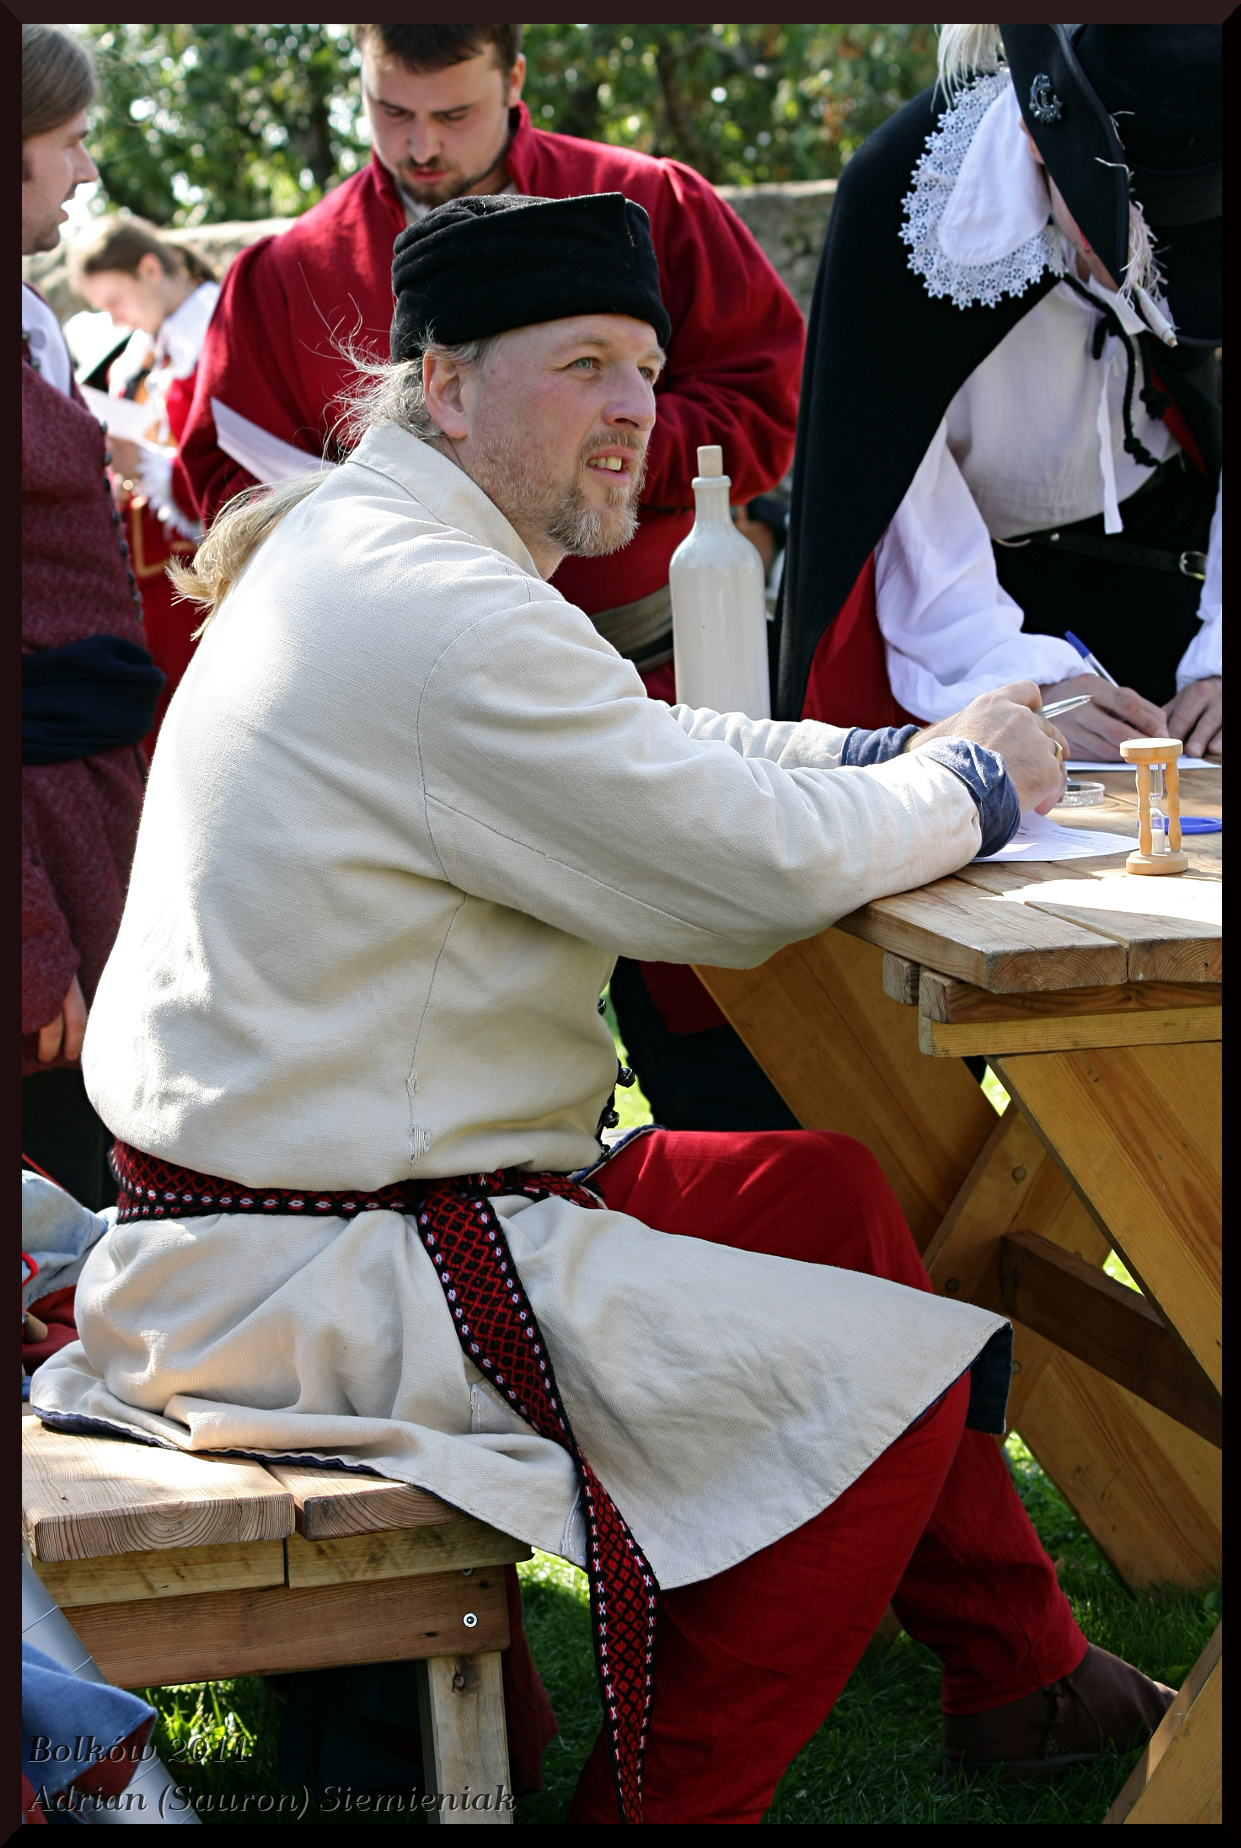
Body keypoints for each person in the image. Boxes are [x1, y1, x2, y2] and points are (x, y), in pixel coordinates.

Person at [34, 192, 1171, 1823]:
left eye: (645, 365)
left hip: (326, 1218)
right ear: (444, 386)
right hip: (324, 1272)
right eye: (581, 365)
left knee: (815, 1195)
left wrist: (898, 755)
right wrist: (976, 784)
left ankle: (1020, 1678)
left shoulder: (394, 550)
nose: (636, 405)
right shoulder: (433, 604)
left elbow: (652, 748)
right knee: (876, 1388)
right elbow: (738, 869)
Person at [176, 22, 807, 1130]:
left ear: (513, 79)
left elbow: (768, 394)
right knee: (475, 1071)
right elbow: (224, 479)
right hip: (414, 747)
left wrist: (580, 451)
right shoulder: (282, 274)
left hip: (658, 679)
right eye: (391, 111)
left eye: (453, 112)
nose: (420, 145)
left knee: (733, 1065)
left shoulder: (650, 204)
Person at [778, 23, 1221, 767]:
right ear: (1038, 142)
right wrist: (1023, 680)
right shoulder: (911, 198)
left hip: (1181, 567)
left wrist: (1220, 655)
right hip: (974, 606)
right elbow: (901, 489)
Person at [22, 25, 164, 1211]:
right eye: (68, 143)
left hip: (85, 814)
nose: (85, 172)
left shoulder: (28, 320)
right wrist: (28, 943)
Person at [69, 218, 220, 743]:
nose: (113, 318)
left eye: (115, 301)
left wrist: (151, 466)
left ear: (150, 269)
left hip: (204, 569)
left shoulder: (215, 327)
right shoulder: (141, 348)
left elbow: (229, 459)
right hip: (152, 572)